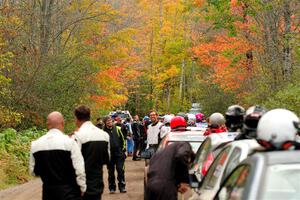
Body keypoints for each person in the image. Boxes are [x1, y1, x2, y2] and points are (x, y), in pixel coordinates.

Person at [29, 112, 86, 200]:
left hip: (48, 193)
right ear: (63, 123)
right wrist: (83, 188)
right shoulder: (70, 143)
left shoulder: (35, 145)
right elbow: (79, 169)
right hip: (70, 192)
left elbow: (33, 171)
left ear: (47, 125)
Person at [73, 105, 110, 200]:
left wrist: (80, 186)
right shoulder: (104, 135)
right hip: (98, 182)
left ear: (76, 118)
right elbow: (107, 158)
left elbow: (76, 164)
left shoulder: (78, 136)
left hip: (83, 185)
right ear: (89, 116)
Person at [103, 116, 127, 193]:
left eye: (110, 121)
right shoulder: (102, 131)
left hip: (119, 154)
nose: (109, 122)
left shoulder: (118, 129)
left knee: (120, 170)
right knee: (111, 172)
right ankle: (112, 188)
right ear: (105, 122)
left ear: (112, 121)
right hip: (109, 155)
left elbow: (123, 140)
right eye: (107, 121)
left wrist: (123, 151)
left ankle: (122, 187)